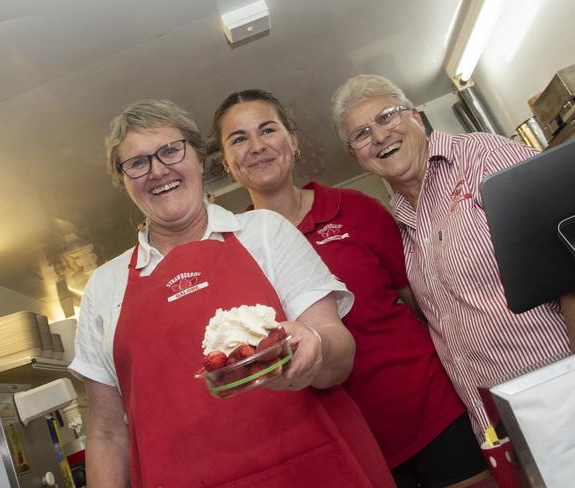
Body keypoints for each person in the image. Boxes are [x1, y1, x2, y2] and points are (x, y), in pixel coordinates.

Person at [69, 98, 395, 487]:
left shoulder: (265, 232)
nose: (158, 171)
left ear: (199, 157)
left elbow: (338, 349)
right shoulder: (105, 287)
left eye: (171, 150)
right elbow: (106, 433)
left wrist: (315, 348)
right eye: (137, 163)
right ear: (123, 180)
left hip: (313, 469)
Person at [210, 89, 490, 488]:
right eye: (238, 139)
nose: (256, 146)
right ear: (226, 163)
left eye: (268, 130)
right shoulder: (233, 252)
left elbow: (427, 303)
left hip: (432, 414)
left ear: (293, 140)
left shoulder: (357, 209)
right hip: (346, 447)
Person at [330, 74, 574, 445]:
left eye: (386, 117)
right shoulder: (398, 222)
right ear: (355, 156)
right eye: (361, 134)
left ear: (415, 115)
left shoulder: (481, 155)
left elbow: (568, 253)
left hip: (560, 390)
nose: (379, 136)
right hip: (501, 422)